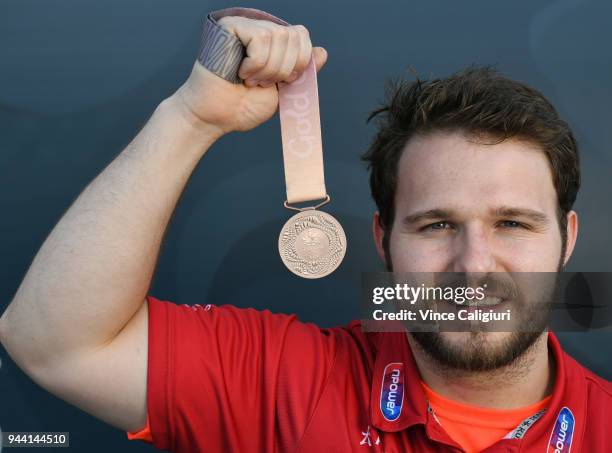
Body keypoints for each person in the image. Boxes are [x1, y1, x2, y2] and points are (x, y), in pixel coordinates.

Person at [0, 12, 610, 453]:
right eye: (437, 224)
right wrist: (193, 116)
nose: (473, 266)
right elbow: (54, 343)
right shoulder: (281, 381)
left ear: (568, 237)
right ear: (383, 240)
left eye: (512, 223)